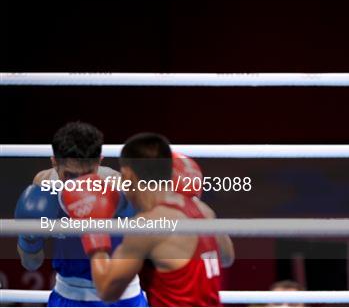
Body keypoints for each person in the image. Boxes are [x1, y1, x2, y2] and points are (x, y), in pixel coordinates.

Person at [67, 133, 234, 306]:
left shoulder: (147, 225)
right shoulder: (203, 210)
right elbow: (227, 258)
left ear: (128, 175)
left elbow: (106, 290)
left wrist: (93, 229)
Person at [14, 121, 147, 306]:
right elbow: (31, 264)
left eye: (87, 175)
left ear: (99, 161)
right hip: (67, 296)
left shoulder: (120, 189)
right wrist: (28, 240)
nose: (79, 185)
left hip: (122, 297)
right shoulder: (44, 185)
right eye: (69, 176)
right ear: (54, 162)